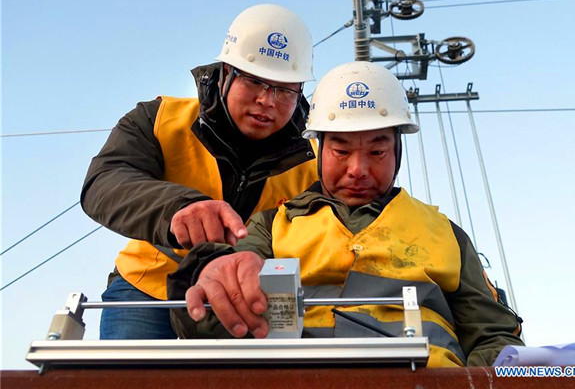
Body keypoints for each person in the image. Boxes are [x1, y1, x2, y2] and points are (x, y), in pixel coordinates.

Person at [168, 61, 524, 367]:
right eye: (341, 150)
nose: (358, 169)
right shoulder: (271, 226)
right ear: (319, 148)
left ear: (397, 150)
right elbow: (223, 312)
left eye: (377, 151)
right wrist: (214, 282)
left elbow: (492, 338)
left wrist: (481, 380)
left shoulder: (446, 234)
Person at [80, 4, 318, 339]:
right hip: (149, 288)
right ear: (225, 74)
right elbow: (104, 183)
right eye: (254, 81)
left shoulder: (315, 162)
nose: (267, 100)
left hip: (248, 297)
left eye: (284, 89)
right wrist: (179, 207)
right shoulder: (158, 118)